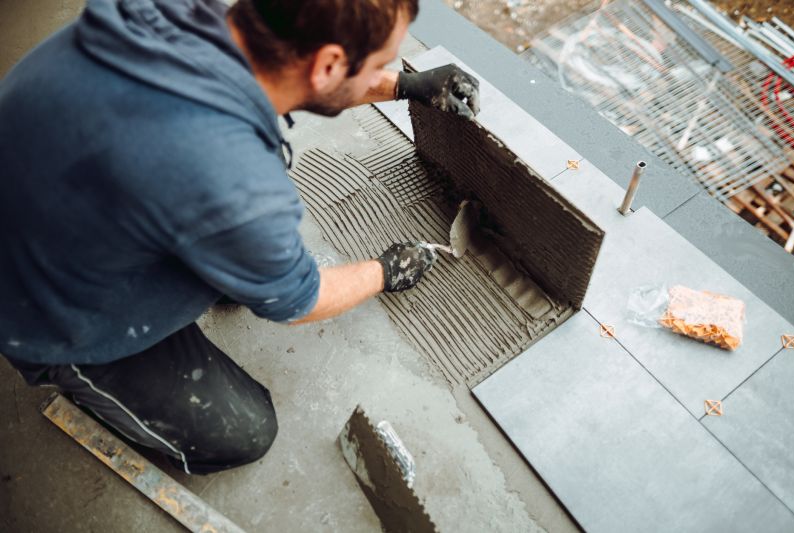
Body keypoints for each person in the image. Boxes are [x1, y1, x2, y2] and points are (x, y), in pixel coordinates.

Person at [0, 0, 479, 474]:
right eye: (379, 63)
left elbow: (314, 78)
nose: (386, 70)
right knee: (246, 431)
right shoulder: (231, 181)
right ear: (329, 63)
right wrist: (383, 272)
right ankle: (80, 376)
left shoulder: (179, 13)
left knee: (236, 248)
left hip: (57, 198)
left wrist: (403, 86)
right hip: (43, 308)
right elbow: (300, 301)